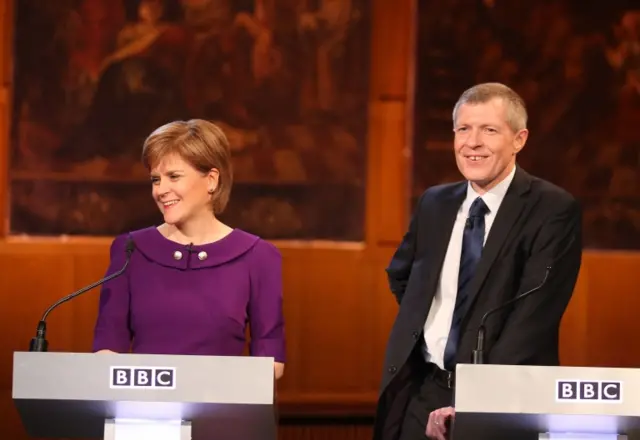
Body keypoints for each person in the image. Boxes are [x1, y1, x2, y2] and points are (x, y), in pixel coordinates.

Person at [373, 83, 582, 440]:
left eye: (489, 130)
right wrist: (430, 325)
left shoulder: (551, 210)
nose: (472, 142)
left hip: (503, 398)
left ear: (519, 139)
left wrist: (476, 399)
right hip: (425, 390)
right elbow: (402, 275)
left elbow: (534, 319)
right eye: (463, 129)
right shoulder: (434, 204)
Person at [92, 119, 286, 380]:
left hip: (222, 415)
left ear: (211, 180)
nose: (160, 190)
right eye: (155, 179)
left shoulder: (258, 257)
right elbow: (107, 351)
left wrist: (200, 385)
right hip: (144, 414)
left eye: (173, 176)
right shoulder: (130, 250)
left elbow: (271, 363)